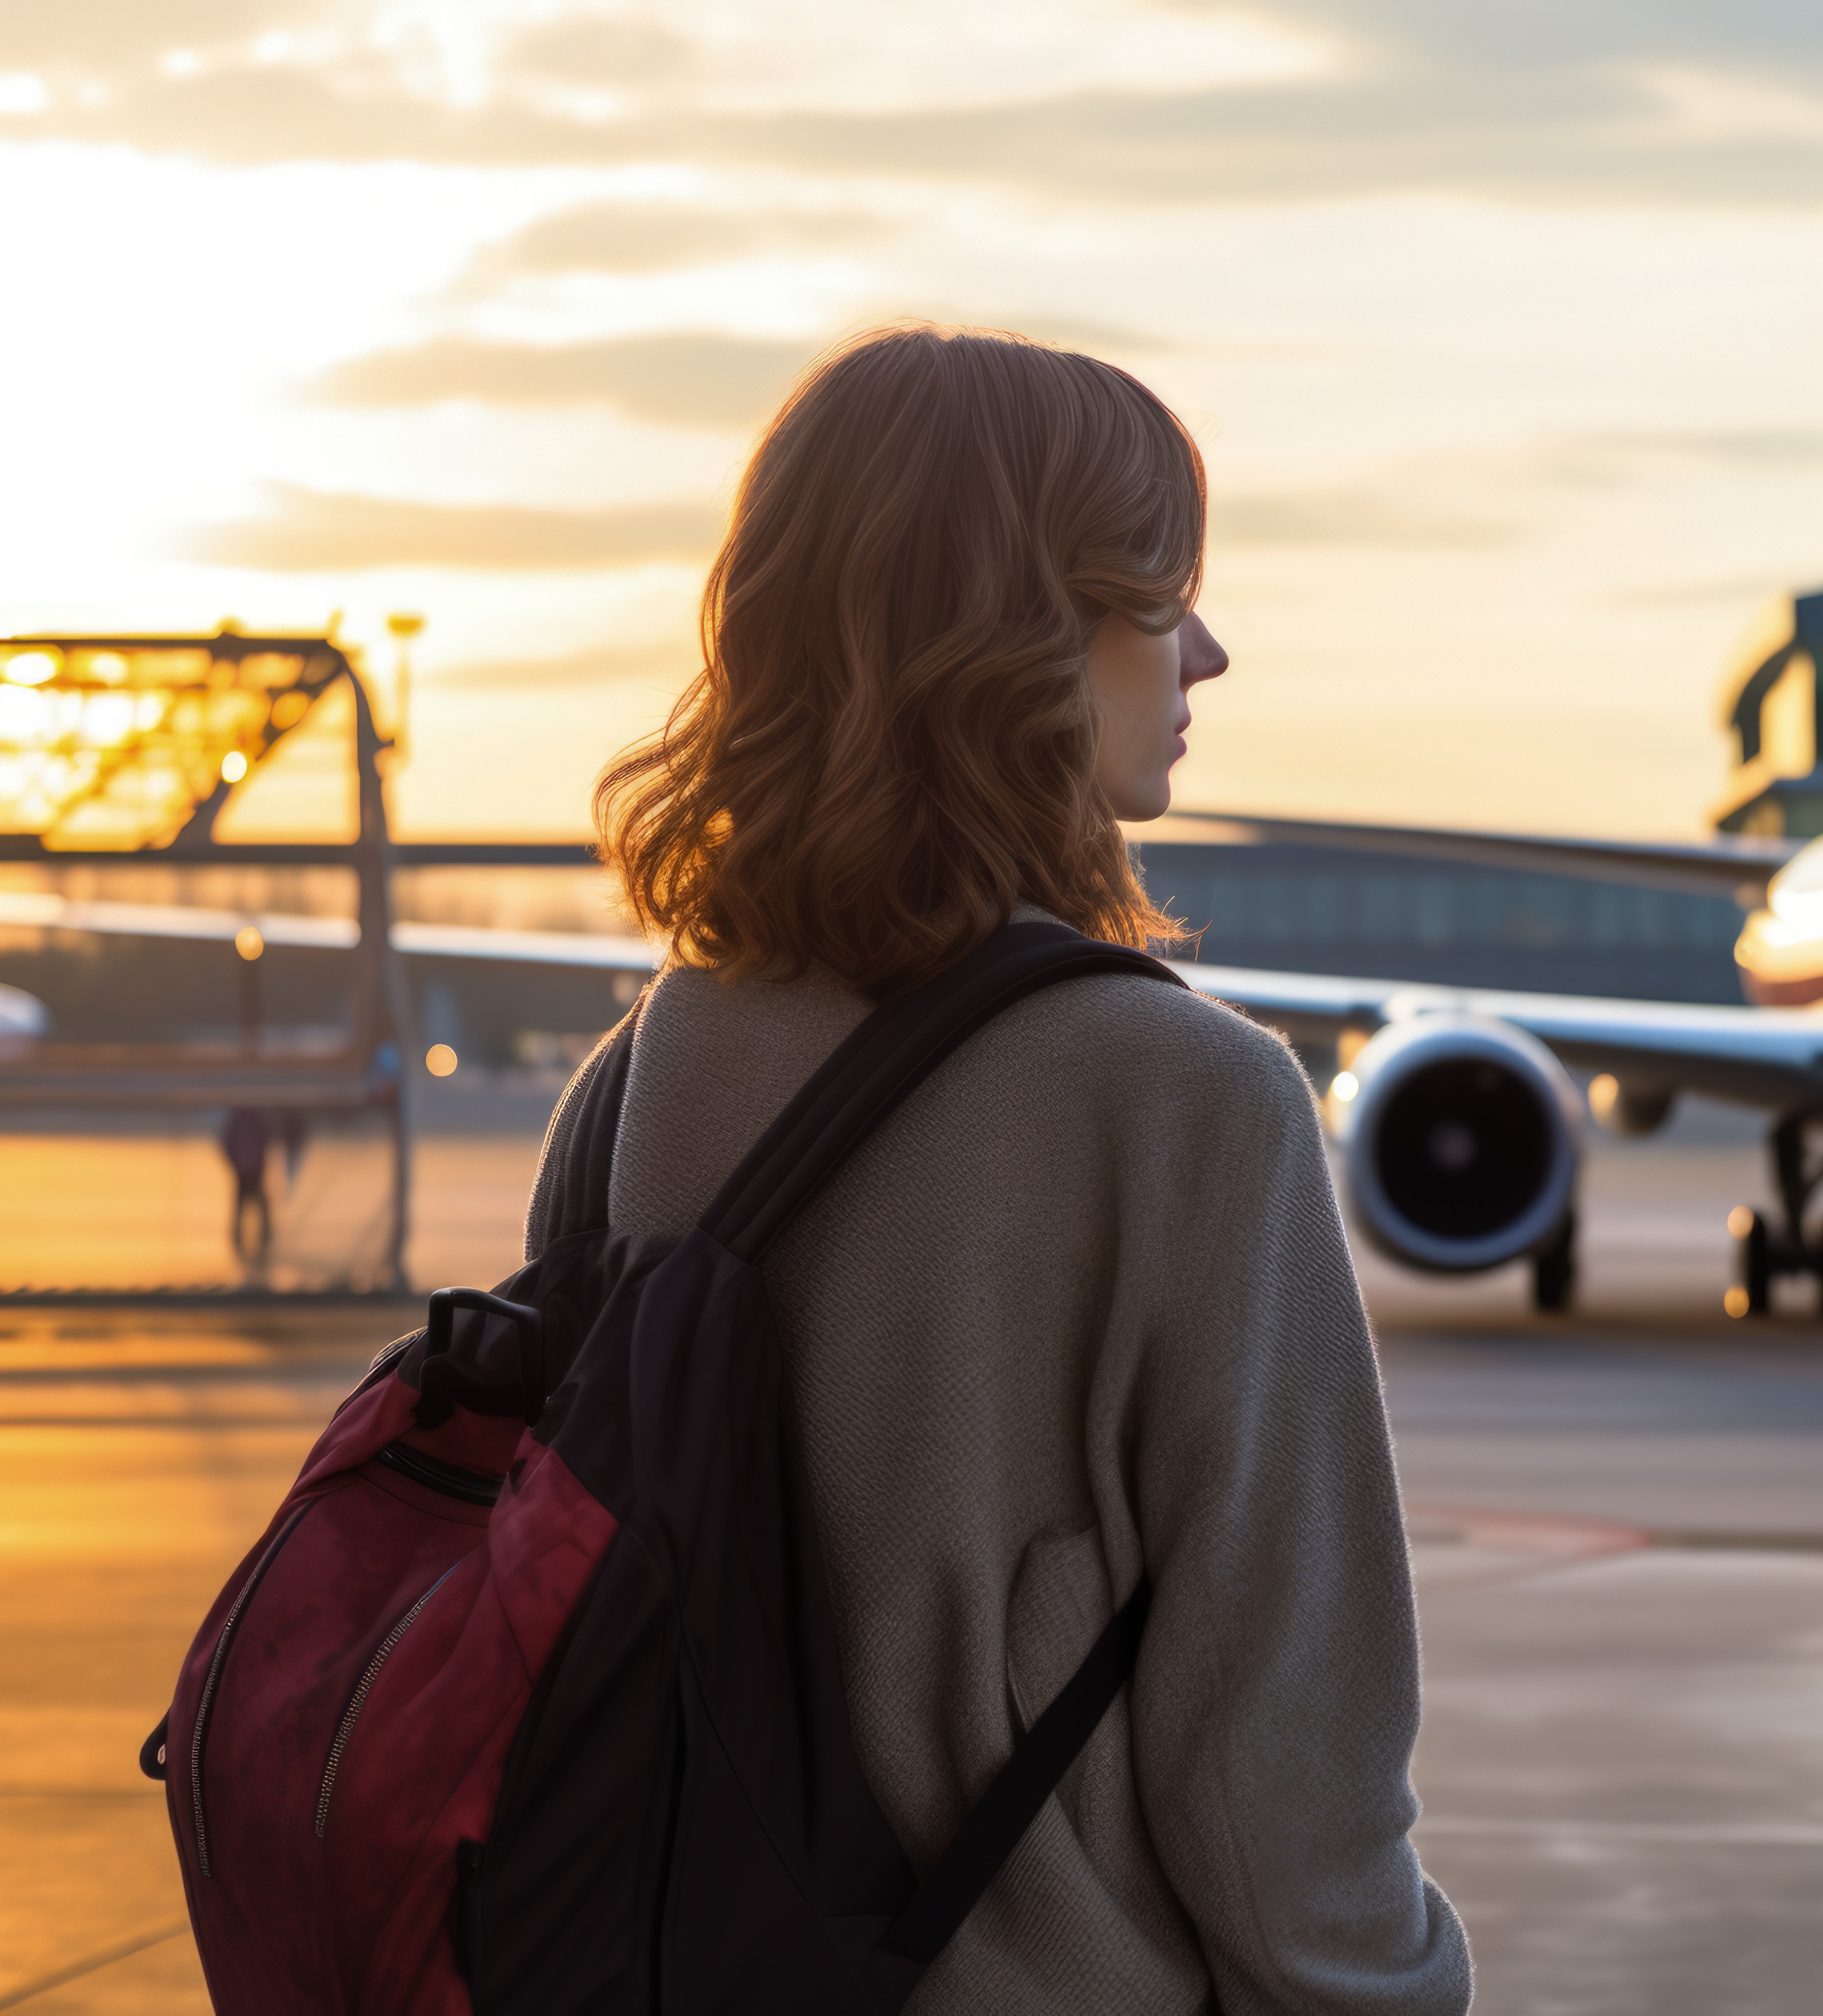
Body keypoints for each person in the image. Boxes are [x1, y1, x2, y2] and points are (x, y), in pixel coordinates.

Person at [527, 325, 1470, 2013]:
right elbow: (1283, 1793)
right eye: (1163, 598)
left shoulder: (632, 1083)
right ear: (1029, 635)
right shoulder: (1189, 1103)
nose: (1210, 652)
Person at [219, 1106, 273, 1262]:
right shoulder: (256, 1116)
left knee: (243, 1204)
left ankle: (242, 1239)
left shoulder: (238, 1118)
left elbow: (227, 1143)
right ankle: (262, 1237)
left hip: (244, 1167)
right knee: (257, 1204)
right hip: (251, 1167)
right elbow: (264, 1140)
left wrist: (235, 1163)